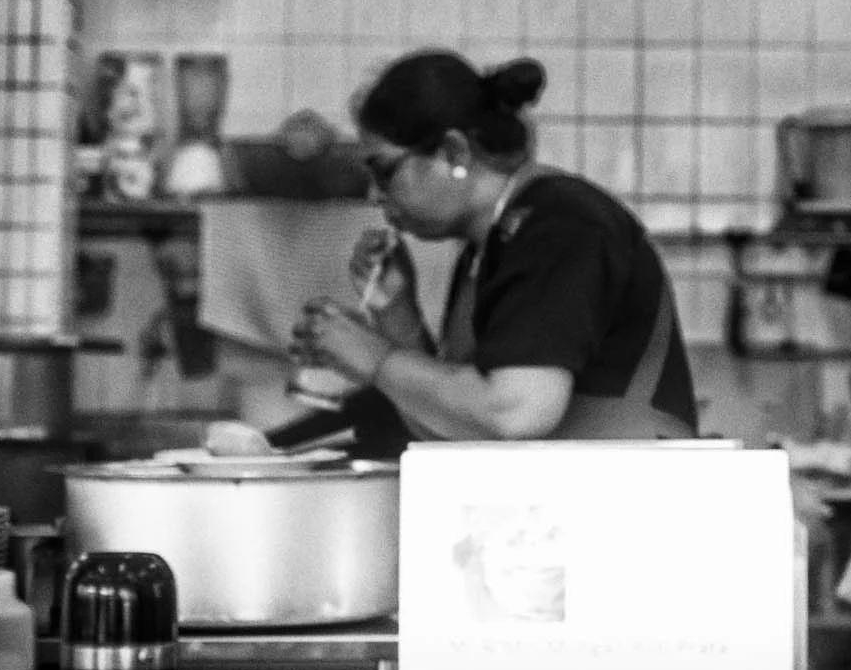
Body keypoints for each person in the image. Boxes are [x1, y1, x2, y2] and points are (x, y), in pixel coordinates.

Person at [290, 50, 699, 442]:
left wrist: (372, 356)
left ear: (454, 152)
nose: (374, 196)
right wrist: (398, 315)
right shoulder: (487, 248)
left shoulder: (560, 226)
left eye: (384, 171)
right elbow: (455, 425)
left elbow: (515, 411)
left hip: (629, 496)